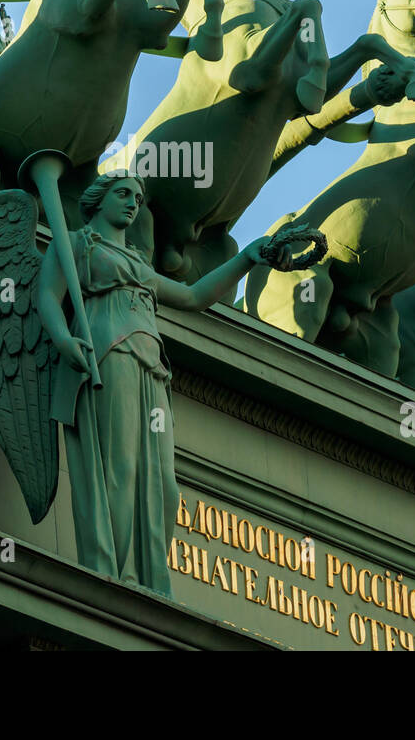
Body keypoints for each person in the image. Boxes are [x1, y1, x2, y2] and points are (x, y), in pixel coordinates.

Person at [36, 171, 270, 595]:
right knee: (119, 468)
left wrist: (248, 257)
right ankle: (115, 576)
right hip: (111, 354)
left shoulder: (141, 265)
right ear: (98, 199)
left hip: (152, 367)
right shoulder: (76, 245)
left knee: (163, 483)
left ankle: (148, 580)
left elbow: (195, 297)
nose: (132, 203)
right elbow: (47, 297)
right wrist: (63, 337)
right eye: (123, 194)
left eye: (138, 198)